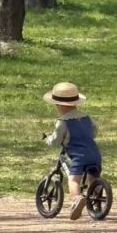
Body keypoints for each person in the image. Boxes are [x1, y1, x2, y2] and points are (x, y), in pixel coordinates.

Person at [42, 81, 102, 220]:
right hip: (94, 153)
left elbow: (56, 139)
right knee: (93, 178)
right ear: (75, 103)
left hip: (78, 156)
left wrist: (47, 139)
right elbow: (95, 130)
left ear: (58, 105)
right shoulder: (86, 117)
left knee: (74, 180)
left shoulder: (62, 121)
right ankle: (97, 198)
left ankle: (77, 199)